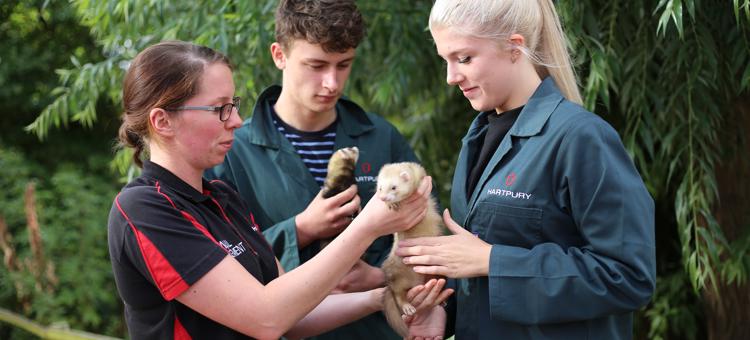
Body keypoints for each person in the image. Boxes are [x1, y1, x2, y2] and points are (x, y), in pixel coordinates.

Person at [107, 40, 448, 340]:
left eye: (235, 104)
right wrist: (367, 226)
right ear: (162, 121)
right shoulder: (144, 210)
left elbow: (293, 314)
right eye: (220, 108)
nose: (237, 120)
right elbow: (267, 318)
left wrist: (392, 299)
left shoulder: (223, 199)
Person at [396, 0, 657, 339]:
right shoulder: (475, 139)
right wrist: (446, 313)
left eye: (464, 59)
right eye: (445, 61)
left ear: (514, 48)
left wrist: (493, 261)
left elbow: (628, 276)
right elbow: (480, 275)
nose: (451, 77)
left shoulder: (581, 138)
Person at [206, 1, 426, 338]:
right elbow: (215, 264)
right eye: (316, 65)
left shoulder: (382, 138)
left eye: (344, 65)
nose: (332, 83)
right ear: (279, 55)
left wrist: (381, 274)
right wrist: (299, 229)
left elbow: (428, 236)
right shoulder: (231, 152)